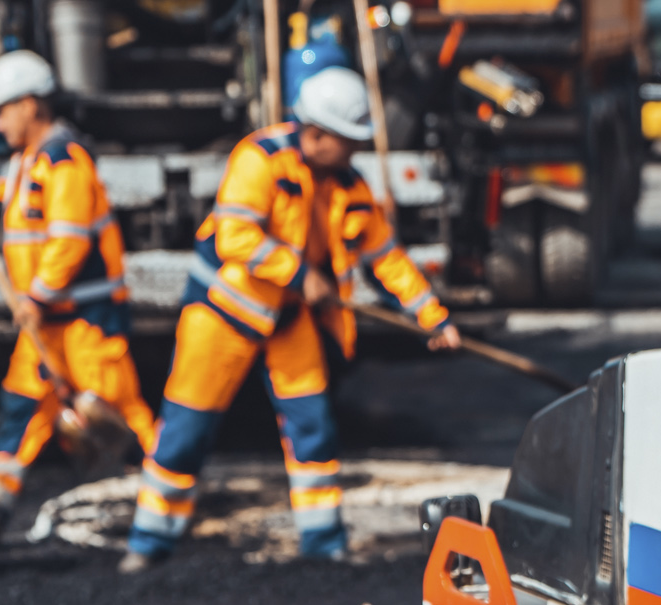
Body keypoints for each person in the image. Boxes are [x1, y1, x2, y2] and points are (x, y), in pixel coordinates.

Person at [121, 67, 462, 571]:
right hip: (224, 316)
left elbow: (386, 259)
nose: (356, 152)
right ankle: (148, 543)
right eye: (349, 141)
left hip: (288, 321)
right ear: (316, 134)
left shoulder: (349, 185)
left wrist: (434, 317)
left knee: (313, 427)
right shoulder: (259, 160)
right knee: (185, 430)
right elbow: (234, 236)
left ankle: (324, 544)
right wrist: (300, 274)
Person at [0, 50, 158, 540]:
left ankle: (169, 492)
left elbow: (69, 241)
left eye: (2, 110)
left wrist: (36, 296)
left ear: (31, 105)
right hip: (48, 319)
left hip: (85, 317)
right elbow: (7, 196)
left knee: (117, 407)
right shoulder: (29, 163)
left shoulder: (65, 162)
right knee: (23, 401)